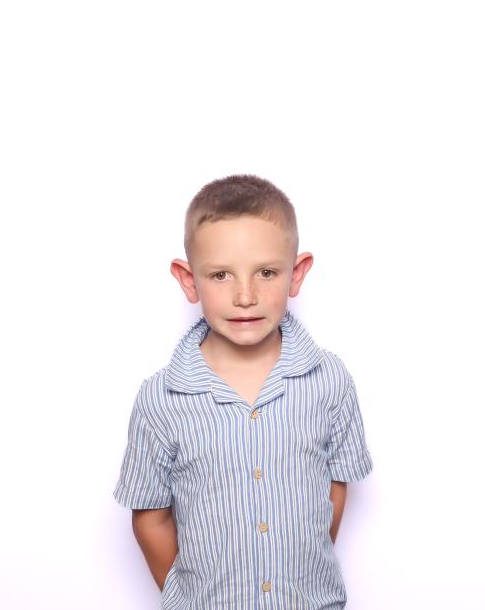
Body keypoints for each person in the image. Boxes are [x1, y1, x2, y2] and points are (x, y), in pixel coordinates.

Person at [113, 174, 373, 609]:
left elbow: (333, 488)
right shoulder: (161, 399)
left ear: (296, 274)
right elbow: (151, 516)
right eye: (220, 275)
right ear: (189, 280)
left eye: (266, 272)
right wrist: (186, 598)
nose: (245, 296)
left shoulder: (330, 381)